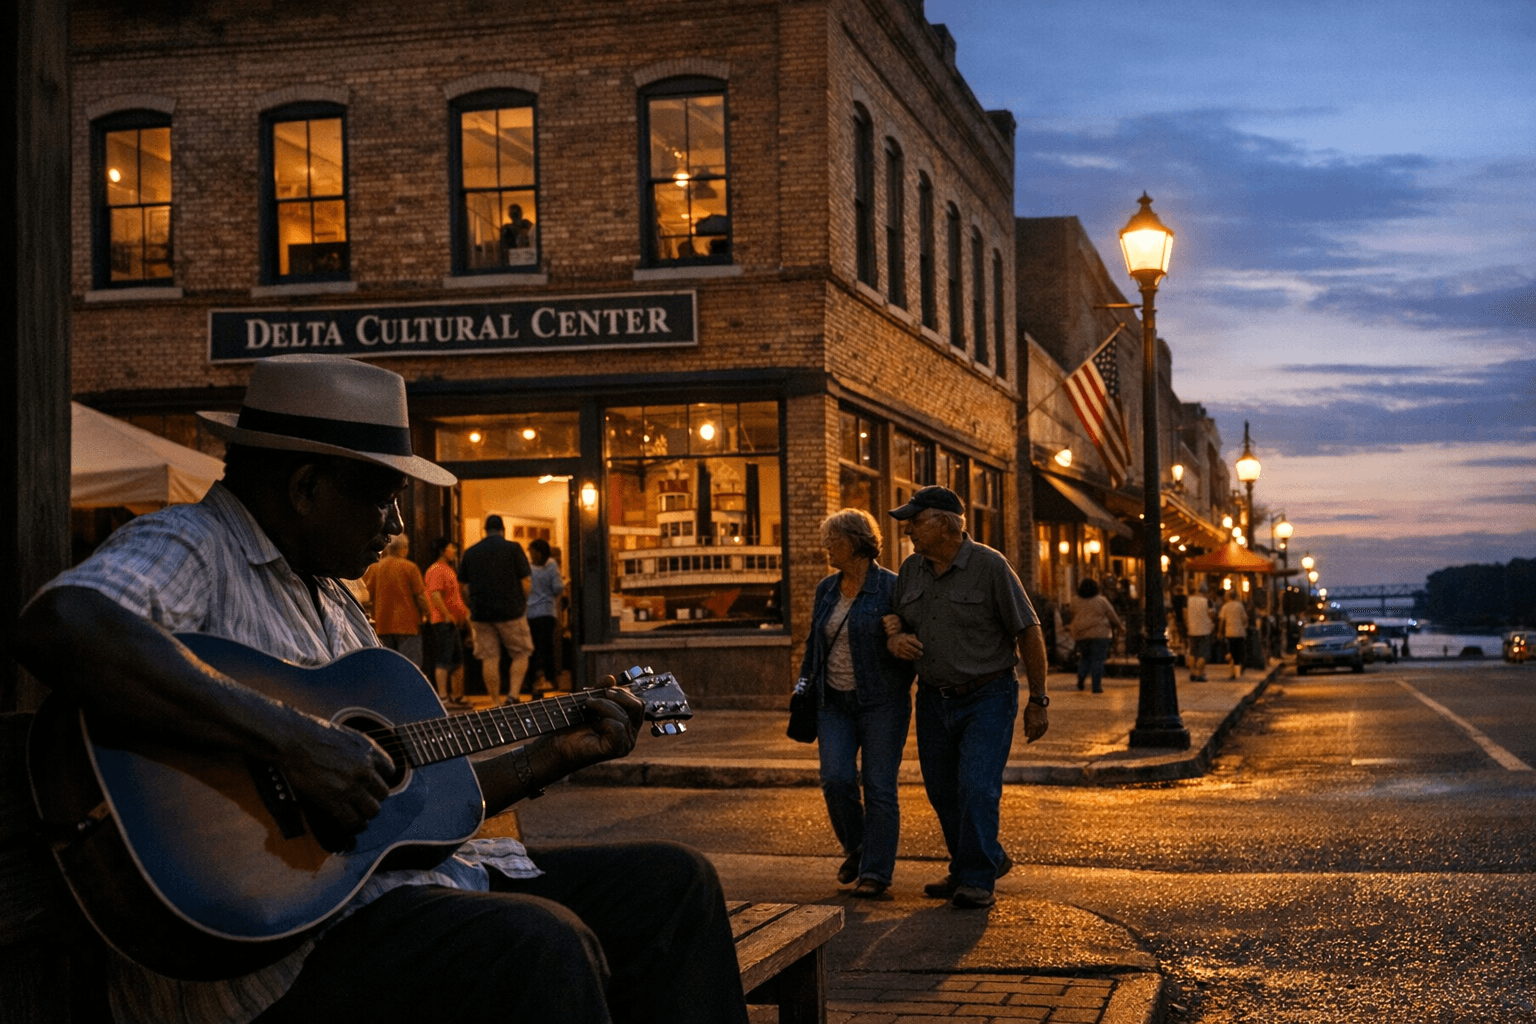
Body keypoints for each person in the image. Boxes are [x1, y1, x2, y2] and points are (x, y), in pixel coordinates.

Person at [15, 354, 748, 1024]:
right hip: (274, 958)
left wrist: (556, 754)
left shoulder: (335, 598)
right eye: (384, 500)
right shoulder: (192, 545)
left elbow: (412, 809)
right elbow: (67, 621)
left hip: (389, 902)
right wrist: (291, 739)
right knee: (535, 944)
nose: (398, 528)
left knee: (674, 887)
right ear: (306, 487)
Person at [880, 486, 1049, 910]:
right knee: (942, 791)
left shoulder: (990, 566)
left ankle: (976, 878)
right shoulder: (912, 569)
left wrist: (1038, 700)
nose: (909, 532)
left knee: (976, 785)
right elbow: (897, 616)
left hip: (988, 695)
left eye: (915, 522)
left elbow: (1028, 632)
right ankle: (979, 859)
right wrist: (896, 636)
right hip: (934, 699)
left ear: (945, 524)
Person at [796, 509, 915, 900]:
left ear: (855, 541)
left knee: (879, 787)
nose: (826, 547)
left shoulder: (893, 588)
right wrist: (802, 687)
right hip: (833, 701)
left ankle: (876, 873)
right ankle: (860, 848)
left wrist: (898, 635)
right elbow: (815, 644)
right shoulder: (826, 590)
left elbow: (915, 643)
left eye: (833, 540)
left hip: (882, 703)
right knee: (836, 779)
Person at [458, 514, 535, 704]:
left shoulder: (470, 552)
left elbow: (462, 586)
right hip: (511, 611)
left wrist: (471, 604)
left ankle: (495, 702)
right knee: (521, 653)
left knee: (489, 658)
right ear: (503, 530)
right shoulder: (514, 549)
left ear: (485, 531)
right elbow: (526, 582)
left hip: (481, 613)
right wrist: (522, 602)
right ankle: (513, 695)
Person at [362, 533, 428, 668]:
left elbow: (367, 596)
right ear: (405, 548)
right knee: (410, 667)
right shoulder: (410, 567)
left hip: (382, 623)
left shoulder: (375, 568)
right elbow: (420, 596)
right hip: (408, 625)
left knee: (387, 667)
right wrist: (428, 614)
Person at [425, 535, 472, 709]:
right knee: (444, 659)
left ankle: (457, 696)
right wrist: (447, 614)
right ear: (442, 551)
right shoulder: (436, 569)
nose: (454, 551)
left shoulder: (448, 569)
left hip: (452, 622)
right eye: (451, 548)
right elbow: (435, 595)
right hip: (443, 621)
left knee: (457, 659)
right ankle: (443, 698)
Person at [1067, 577, 1122, 694]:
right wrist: (1120, 626)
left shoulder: (1075, 600)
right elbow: (1112, 614)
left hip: (1081, 634)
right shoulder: (1101, 600)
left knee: (1085, 657)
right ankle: (1096, 686)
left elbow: (1071, 613)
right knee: (1097, 659)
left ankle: (1081, 677)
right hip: (1100, 633)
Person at [525, 538, 565, 693]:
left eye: (532, 552)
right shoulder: (552, 566)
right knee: (547, 647)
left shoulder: (528, 569)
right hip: (547, 612)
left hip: (530, 613)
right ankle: (550, 679)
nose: (531, 555)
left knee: (532, 649)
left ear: (538, 552)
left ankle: (532, 681)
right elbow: (557, 587)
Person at [1185, 581, 1215, 681]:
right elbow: (1212, 615)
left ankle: (1192, 672)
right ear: (1205, 592)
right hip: (1204, 630)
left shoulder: (1188, 600)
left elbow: (1184, 614)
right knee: (1203, 653)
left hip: (1192, 629)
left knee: (1193, 652)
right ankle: (1200, 674)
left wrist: (1188, 625)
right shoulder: (1207, 601)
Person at [1219, 589, 1250, 679]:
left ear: (1228, 597)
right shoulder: (1240, 606)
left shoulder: (1225, 606)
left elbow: (1222, 620)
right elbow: (1245, 619)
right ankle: (1239, 669)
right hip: (1240, 632)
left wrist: (1220, 631)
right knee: (1239, 651)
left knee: (1231, 652)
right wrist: (1244, 626)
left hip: (1229, 632)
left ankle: (1234, 672)